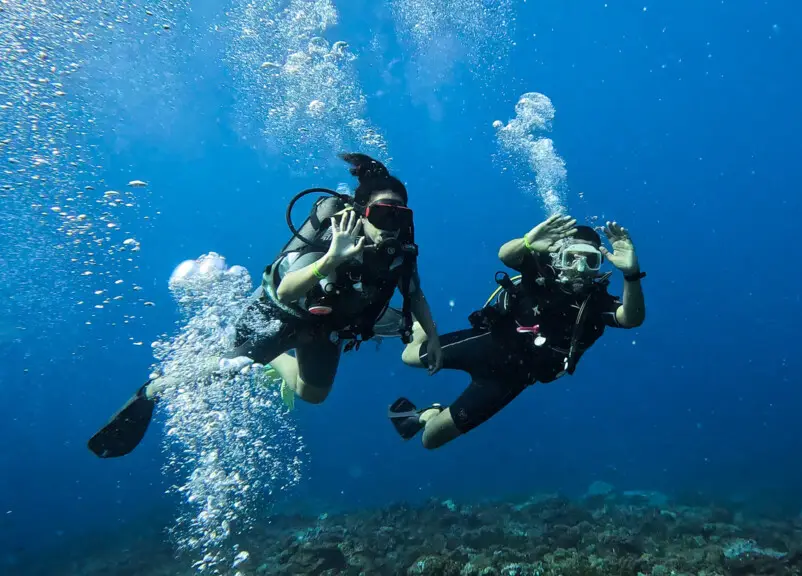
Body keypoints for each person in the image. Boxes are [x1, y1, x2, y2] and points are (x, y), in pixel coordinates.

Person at [88, 153, 444, 458]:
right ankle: (153, 389)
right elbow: (289, 292)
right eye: (383, 215)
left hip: (328, 327)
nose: (392, 227)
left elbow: (415, 294)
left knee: (312, 394)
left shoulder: (399, 253)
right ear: (362, 213)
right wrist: (332, 259)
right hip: (281, 317)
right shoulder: (331, 239)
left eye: (401, 216)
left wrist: (435, 337)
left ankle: (273, 358)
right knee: (234, 365)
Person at [387, 214, 646, 449]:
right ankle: (418, 323)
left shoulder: (596, 301)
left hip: (512, 379)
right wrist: (528, 242)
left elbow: (631, 318)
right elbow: (506, 256)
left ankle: (429, 413)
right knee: (408, 357)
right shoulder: (540, 271)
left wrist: (631, 274)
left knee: (430, 439)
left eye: (590, 261)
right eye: (571, 258)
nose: (578, 268)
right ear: (558, 258)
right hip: (486, 345)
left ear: (600, 265)